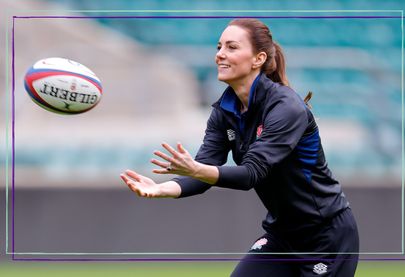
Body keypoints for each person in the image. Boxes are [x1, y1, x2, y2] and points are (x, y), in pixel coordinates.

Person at [120, 18, 359, 276]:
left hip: (325, 237)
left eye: (232, 47)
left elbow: (250, 174)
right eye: (219, 47)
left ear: (258, 59)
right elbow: (203, 175)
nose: (220, 55)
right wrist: (160, 189)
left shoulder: (285, 107)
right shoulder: (225, 111)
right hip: (282, 236)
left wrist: (196, 169)